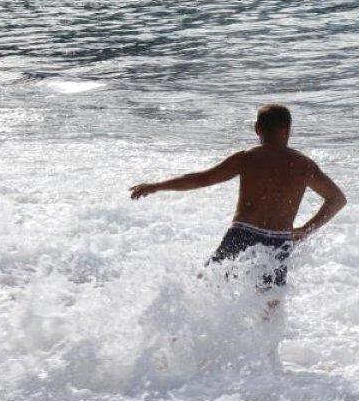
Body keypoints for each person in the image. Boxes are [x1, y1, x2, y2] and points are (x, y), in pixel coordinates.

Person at [129, 104, 346, 288]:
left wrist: (157, 186)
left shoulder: (248, 158)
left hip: (243, 236)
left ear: (257, 129)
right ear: (288, 130)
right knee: (268, 309)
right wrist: (305, 230)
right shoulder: (304, 165)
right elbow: (337, 199)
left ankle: (189, 337)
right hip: (278, 242)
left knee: (208, 288)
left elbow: (202, 179)